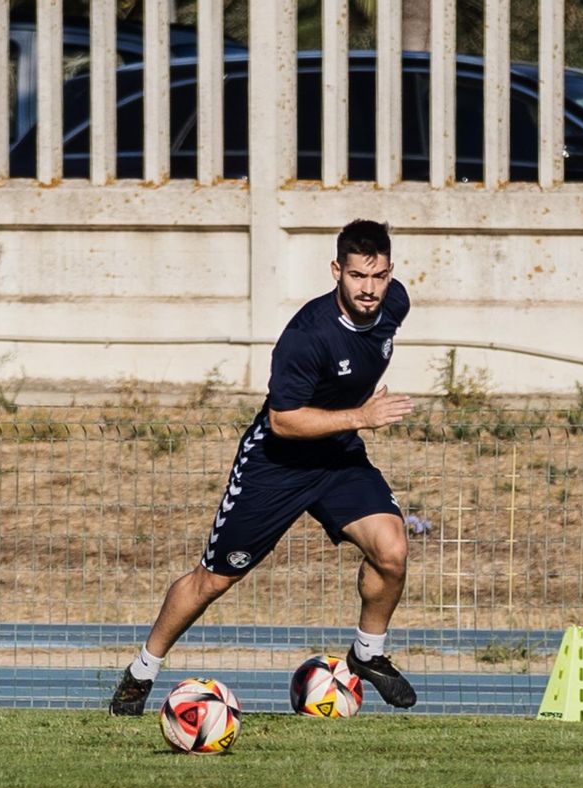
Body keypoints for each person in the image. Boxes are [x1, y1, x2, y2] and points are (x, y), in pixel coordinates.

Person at [110, 219, 418, 715]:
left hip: (338, 458)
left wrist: (352, 423)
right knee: (213, 579)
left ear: (390, 273)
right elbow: (282, 422)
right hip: (276, 465)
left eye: (378, 276)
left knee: (392, 549)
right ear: (337, 270)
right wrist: (363, 415)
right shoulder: (307, 335)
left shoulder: (394, 304)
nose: (369, 288)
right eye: (358, 276)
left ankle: (368, 654)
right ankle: (141, 671)